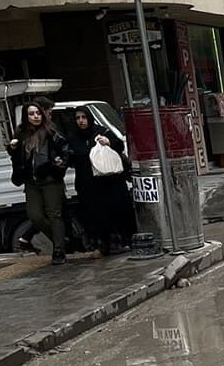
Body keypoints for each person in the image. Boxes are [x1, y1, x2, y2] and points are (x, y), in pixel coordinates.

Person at [7, 102, 71, 264]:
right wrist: (13, 149)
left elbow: (65, 150)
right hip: (31, 181)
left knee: (54, 213)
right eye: (31, 114)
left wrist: (59, 163)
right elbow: (18, 158)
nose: (35, 116)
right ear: (25, 116)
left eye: (38, 113)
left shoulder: (51, 132)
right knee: (34, 215)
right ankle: (60, 240)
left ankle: (58, 250)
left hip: (50, 179)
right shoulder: (21, 134)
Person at [65, 108, 134, 255]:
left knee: (114, 212)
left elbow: (119, 145)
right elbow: (71, 158)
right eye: (78, 118)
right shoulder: (73, 137)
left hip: (107, 182)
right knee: (94, 216)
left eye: (84, 117)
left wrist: (108, 142)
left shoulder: (100, 131)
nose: (81, 121)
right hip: (87, 185)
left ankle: (120, 243)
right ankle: (101, 245)